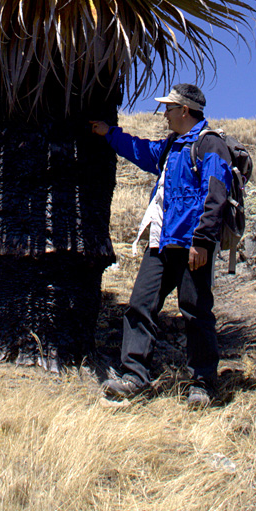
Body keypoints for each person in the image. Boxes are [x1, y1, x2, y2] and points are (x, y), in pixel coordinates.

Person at [90, 83, 232, 404]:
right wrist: (108, 133)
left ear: (184, 110)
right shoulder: (172, 147)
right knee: (141, 305)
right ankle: (134, 377)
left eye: (168, 108)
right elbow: (142, 150)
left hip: (192, 246)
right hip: (162, 243)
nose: (164, 114)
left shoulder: (210, 145)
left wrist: (203, 241)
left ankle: (203, 384)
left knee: (195, 313)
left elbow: (216, 194)